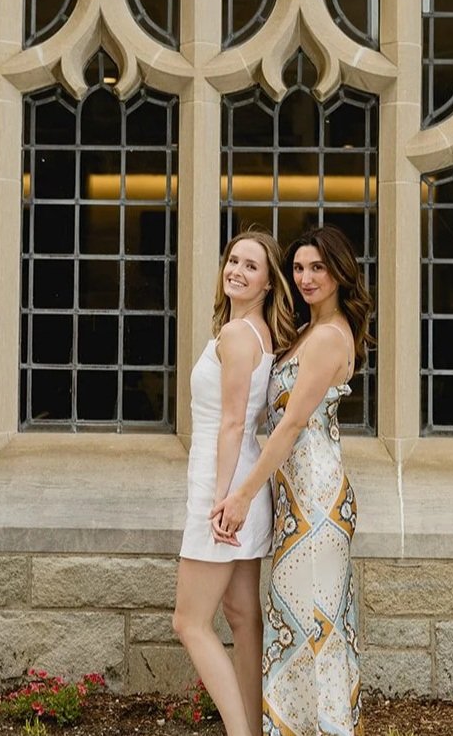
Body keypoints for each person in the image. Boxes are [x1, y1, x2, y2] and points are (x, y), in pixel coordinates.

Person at [211, 223, 373, 736]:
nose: (305, 278)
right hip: (296, 499)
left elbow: (290, 427)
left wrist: (240, 495)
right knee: (297, 622)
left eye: (317, 268)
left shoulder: (328, 337)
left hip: (318, 500)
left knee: (312, 626)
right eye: (299, 267)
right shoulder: (309, 330)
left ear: (340, 274)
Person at [173, 229, 297, 736]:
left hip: (221, 485)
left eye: (251, 266)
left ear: (268, 284)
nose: (237, 271)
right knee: (243, 618)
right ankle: (257, 726)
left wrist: (223, 500)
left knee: (189, 623)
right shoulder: (258, 334)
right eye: (232, 260)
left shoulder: (235, 336)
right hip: (243, 484)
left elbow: (229, 423)